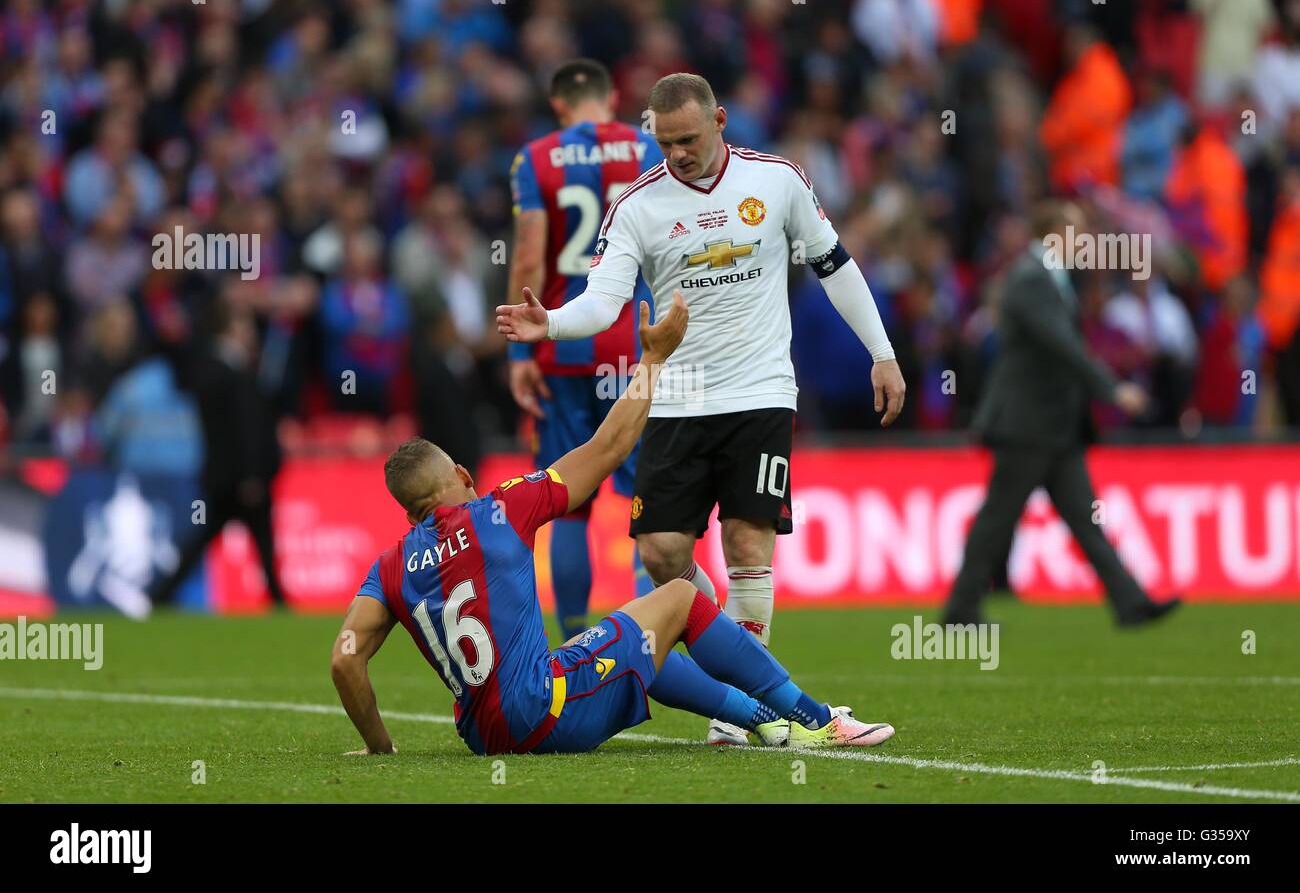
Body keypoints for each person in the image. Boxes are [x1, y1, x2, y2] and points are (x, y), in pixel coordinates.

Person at [496, 72, 906, 745]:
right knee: (662, 554)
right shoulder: (636, 205)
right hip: (678, 397)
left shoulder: (777, 181)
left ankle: (743, 707)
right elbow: (606, 300)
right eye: (665, 142)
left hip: (761, 390)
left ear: (719, 120)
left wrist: (881, 353)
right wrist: (554, 325)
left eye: (688, 139)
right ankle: (745, 674)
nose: (677, 153)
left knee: (748, 542)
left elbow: (835, 265)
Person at [330, 293, 893, 755]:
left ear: (409, 512)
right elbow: (609, 447)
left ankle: (761, 720)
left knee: (632, 636)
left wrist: (380, 748)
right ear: (460, 473)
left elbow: (345, 659)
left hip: (484, 735)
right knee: (678, 598)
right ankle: (813, 720)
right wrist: (652, 361)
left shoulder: (390, 565)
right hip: (543, 714)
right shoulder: (498, 510)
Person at [942, 201, 1181, 627]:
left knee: (1080, 519)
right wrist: (1112, 389)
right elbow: (1062, 346)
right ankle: (961, 606)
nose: (1084, 238)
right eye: (1076, 229)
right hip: (1027, 423)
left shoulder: (1046, 277)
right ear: (1053, 232)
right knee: (999, 517)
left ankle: (1130, 602)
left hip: (1053, 426)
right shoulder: (1032, 278)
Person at [507, 58, 661, 639]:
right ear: (614, 96)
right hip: (635, 344)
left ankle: (573, 637)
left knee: (568, 499)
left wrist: (519, 355)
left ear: (558, 104)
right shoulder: (650, 149)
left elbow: (527, 257)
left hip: (563, 345)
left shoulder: (537, 157)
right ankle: (651, 634)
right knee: (649, 493)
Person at [149, 297, 286, 608]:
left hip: (226, 475)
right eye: (245, 323)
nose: (252, 331)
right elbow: (244, 429)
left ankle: (161, 595)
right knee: (255, 541)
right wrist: (252, 474)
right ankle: (278, 601)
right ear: (231, 327)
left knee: (215, 540)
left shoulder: (219, 367)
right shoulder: (228, 370)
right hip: (238, 477)